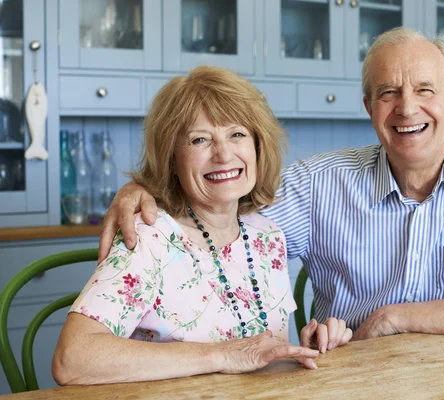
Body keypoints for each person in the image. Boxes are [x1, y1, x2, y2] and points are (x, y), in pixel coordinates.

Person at [99, 27, 444, 343]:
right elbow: (219, 203)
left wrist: (392, 318)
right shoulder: (320, 185)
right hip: (349, 377)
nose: (407, 109)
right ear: (368, 107)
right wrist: (146, 189)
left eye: (424, 90)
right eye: (388, 93)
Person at [52, 66, 352, 386]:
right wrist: (222, 355)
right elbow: (71, 359)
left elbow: (259, 359)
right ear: (172, 160)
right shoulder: (150, 238)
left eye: (237, 134)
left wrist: (299, 352)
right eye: (200, 140)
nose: (223, 154)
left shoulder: (267, 236)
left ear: (257, 147)